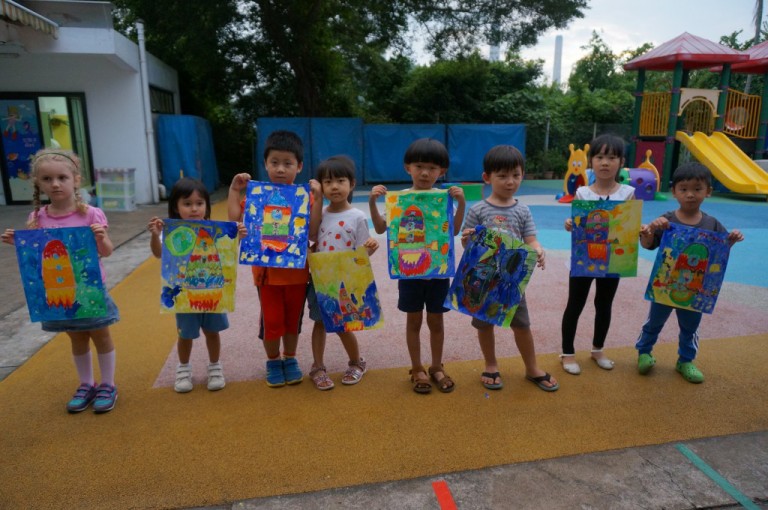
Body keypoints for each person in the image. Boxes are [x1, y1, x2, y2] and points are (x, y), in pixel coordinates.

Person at [1, 149, 120, 413]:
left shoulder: (91, 214)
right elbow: (35, 258)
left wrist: (100, 238)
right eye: (47, 179)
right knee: (76, 339)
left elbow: (107, 251)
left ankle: (108, 384)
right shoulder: (37, 218)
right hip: (59, 292)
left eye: (62, 178)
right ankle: (86, 384)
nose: (55, 184)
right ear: (38, 183)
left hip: (89, 290)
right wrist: (19, 244)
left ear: (76, 180)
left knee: (101, 335)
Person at [369, 138, 465, 394]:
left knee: (436, 322)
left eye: (432, 168)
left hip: (437, 274)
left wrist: (462, 204)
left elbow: (454, 231)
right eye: (419, 166)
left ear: (442, 171)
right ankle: (416, 368)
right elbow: (380, 228)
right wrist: (372, 203)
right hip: (409, 275)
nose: (425, 173)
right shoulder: (399, 200)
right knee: (413, 321)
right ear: (407, 167)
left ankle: (436, 366)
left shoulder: (443, 199)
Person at [227, 130, 322, 387]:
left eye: (288, 163)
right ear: (265, 164)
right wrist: (234, 190)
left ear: (299, 166)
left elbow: (313, 231)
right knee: (272, 321)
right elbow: (234, 220)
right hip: (266, 275)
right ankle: (272, 360)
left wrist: (319, 198)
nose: (280, 169)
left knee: (292, 321)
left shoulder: (305, 197)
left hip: (297, 273)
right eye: (275, 162)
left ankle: (289, 358)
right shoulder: (257, 195)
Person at [461, 145, 558, 392]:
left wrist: (538, 250)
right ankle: (491, 364)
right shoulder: (478, 210)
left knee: (522, 325)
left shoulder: (522, 210)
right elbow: (467, 244)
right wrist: (468, 239)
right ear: (487, 177)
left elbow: (531, 239)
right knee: (484, 323)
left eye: (516, 175)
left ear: (522, 175)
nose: (510, 181)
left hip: (512, 281)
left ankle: (532, 368)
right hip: (483, 280)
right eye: (502, 176)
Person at [635, 162, 743, 383]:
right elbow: (647, 245)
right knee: (654, 322)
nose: (690, 194)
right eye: (683, 189)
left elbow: (718, 254)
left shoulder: (712, 224)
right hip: (665, 286)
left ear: (708, 192)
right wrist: (650, 230)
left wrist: (730, 241)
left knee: (690, 327)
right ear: (674, 192)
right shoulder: (667, 220)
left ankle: (685, 360)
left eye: (697, 189)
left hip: (695, 289)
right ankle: (644, 353)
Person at [148, 177, 246, 393]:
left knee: (213, 332)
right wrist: (155, 236)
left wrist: (237, 236)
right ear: (176, 207)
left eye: (199, 203)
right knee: (185, 335)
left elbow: (227, 250)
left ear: (206, 206)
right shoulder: (173, 232)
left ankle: (215, 367)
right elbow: (158, 253)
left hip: (213, 292)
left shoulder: (214, 229)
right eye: (187, 203)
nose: (194, 209)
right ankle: (183, 369)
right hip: (185, 296)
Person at [560, 134, 636, 375]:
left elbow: (627, 226)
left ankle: (597, 349)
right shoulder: (583, 193)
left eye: (612, 157)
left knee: (604, 304)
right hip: (584, 258)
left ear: (621, 162)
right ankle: (567, 353)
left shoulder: (628, 193)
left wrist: (638, 228)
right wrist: (570, 224)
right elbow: (578, 223)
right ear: (591, 161)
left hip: (613, 259)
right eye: (600, 157)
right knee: (575, 304)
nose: (605, 162)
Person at [306, 156, 379, 390]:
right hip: (320, 280)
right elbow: (312, 238)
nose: (334, 186)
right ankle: (317, 366)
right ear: (321, 186)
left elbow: (361, 255)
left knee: (344, 325)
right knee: (319, 322)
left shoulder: (357, 217)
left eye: (340, 181)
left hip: (345, 281)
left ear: (352, 184)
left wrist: (370, 248)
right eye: (328, 182)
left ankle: (357, 362)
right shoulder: (319, 214)